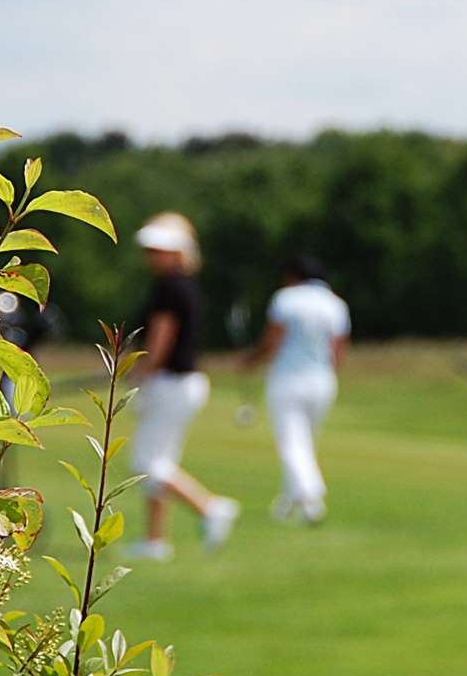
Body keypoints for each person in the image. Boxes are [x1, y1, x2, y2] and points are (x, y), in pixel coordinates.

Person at [125, 212, 239, 560]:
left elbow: (162, 335)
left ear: (179, 252)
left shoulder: (170, 288)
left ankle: (210, 508)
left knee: (147, 463)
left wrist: (142, 370)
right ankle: (155, 540)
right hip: (179, 384)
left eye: (159, 250)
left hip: (169, 383)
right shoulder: (181, 284)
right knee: (161, 461)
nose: (152, 257)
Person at [243, 254, 350, 526]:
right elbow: (339, 349)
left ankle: (311, 497)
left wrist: (251, 360)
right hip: (323, 381)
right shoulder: (336, 304)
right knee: (305, 443)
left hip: (287, 379)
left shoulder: (286, 298)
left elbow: (273, 339)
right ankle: (289, 503)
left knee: (292, 443)